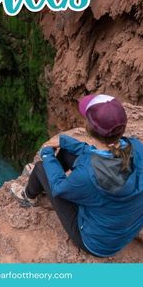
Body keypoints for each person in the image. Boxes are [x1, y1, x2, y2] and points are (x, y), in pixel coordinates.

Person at [11, 94, 143, 257]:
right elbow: (101, 152)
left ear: (90, 128)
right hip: (123, 226)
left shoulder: (87, 175)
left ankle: (27, 196)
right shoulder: (136, 146)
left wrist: (47, 154)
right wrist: (65, 143)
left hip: (98, 243)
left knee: (41, 168)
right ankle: (42, 182)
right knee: (66, 153)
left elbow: (59, 189)